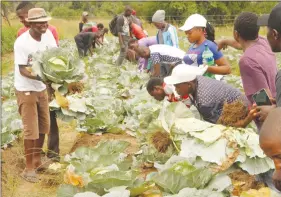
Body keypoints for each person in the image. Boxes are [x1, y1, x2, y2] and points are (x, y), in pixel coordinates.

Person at [14, 8, 57, 183]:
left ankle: (38, 160)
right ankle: (29, 168)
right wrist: (41, 76)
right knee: (31, 130)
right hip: (26, 88)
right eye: (40, 22)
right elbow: (23, 69)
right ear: (30, 24)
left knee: (43, 127)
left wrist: (57, 77)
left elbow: (55, 55)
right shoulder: (22, 42)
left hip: (41, 87)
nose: (44, 25)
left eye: (45, 21)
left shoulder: (48, 35)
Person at [164, 65, 254, 127]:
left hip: (242, 111)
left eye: (177, 87)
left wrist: (243, 123)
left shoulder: (204, 101)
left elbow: (218, 126)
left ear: (188, 84)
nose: (175, 90)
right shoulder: (196, 80)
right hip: (237, 100)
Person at [180, 14, 231, 78]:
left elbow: (227, 69)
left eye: (189, 33)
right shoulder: (192, 47)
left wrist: (207, 68)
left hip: (206, 85)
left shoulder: (210, 46)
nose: (187, 36)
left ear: (200, 30)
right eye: (186, 33)